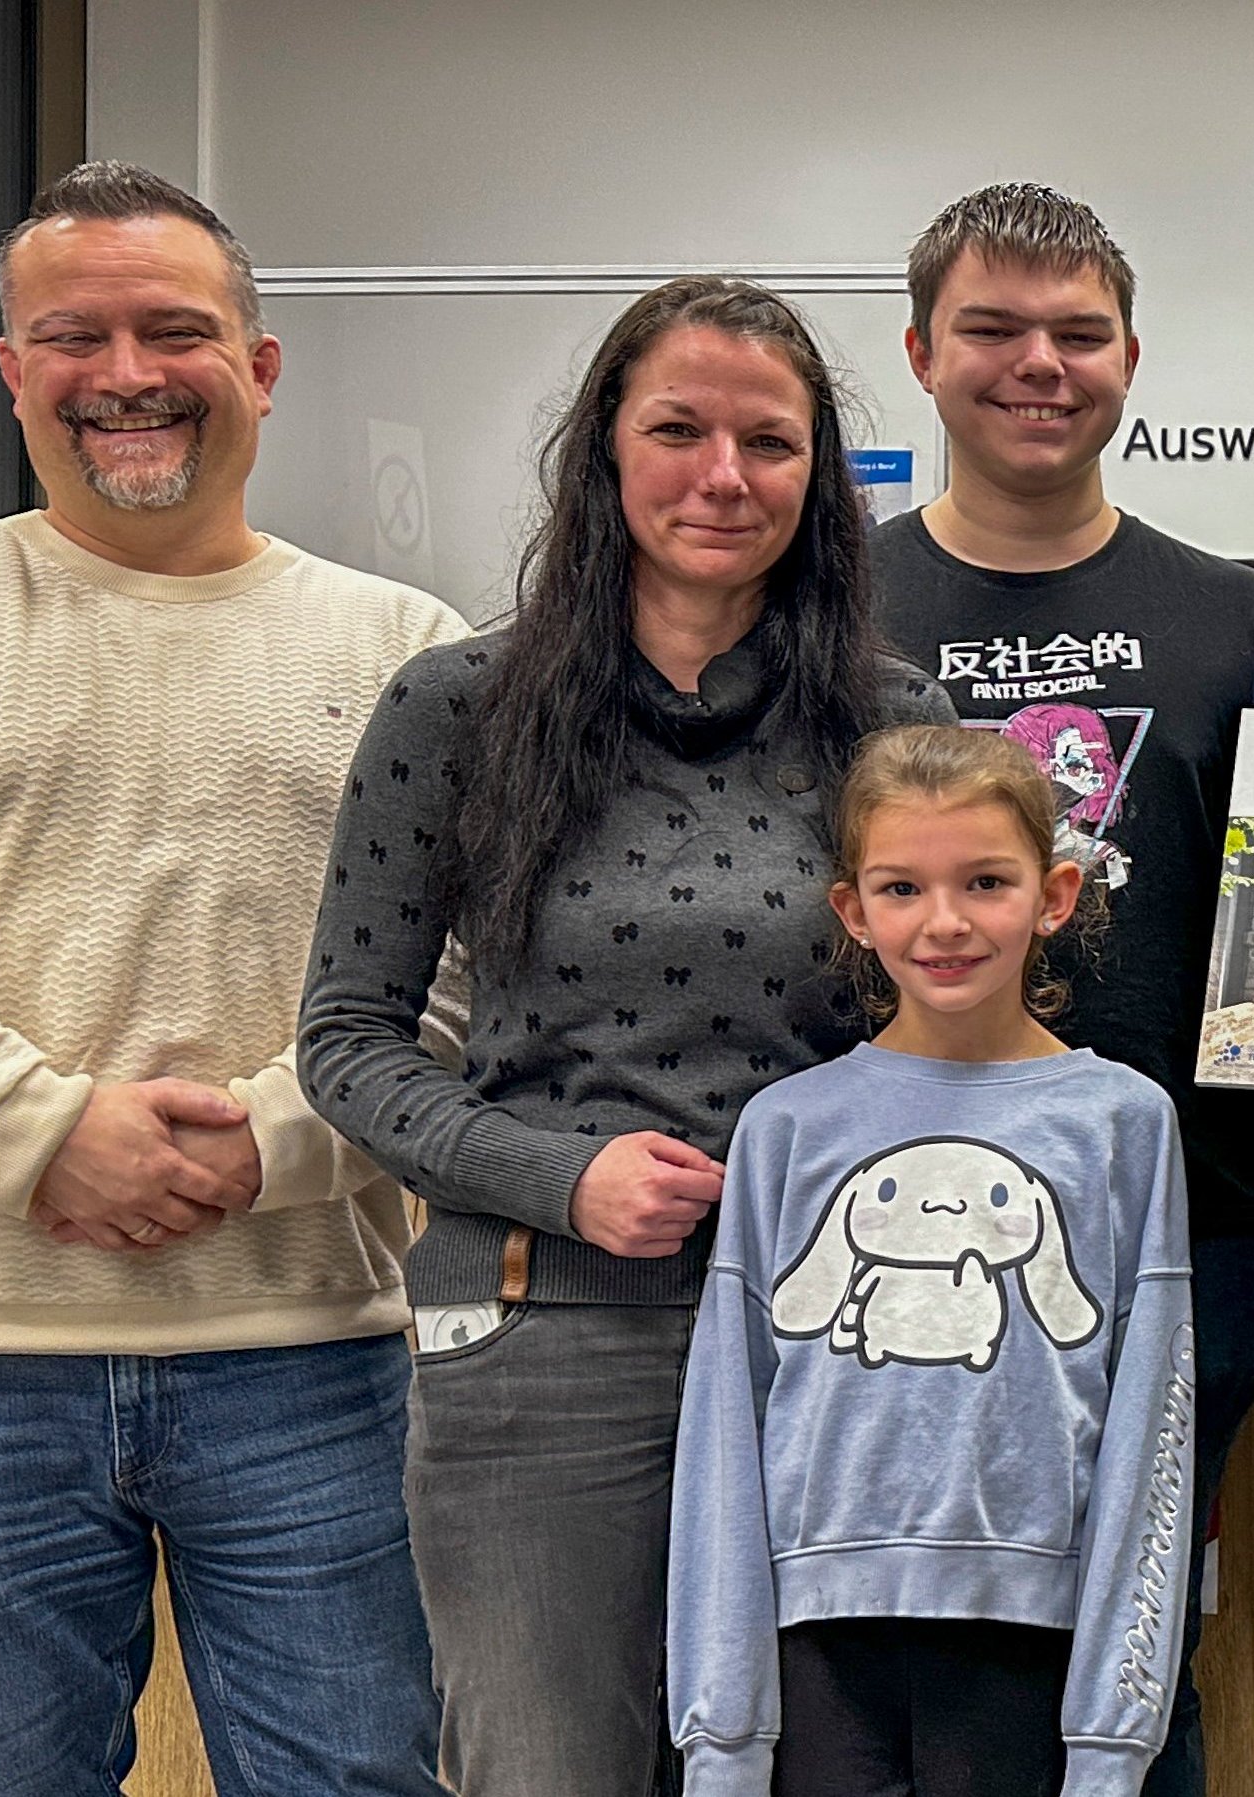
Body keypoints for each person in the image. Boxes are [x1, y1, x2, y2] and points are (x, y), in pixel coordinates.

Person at [0, 161, 455, 1794]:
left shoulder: (407, 643)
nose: (126, 374)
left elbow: (464, 965)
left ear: (258, 365)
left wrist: (277, 1142)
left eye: (174, 331)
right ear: (11, 369)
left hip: (317, 1363)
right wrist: (34, 1132)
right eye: (74, 336)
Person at [298, 274, 954, 1795]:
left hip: (830, 1341)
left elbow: (949, 1029)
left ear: (818, 475)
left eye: (769, 443)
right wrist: (560, 1179)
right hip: (542, 1334)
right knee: (550, 1768)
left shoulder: (891, 719)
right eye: (677, 431)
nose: (723, 476)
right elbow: (347, 1039)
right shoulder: (457, 705)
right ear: (603, 449)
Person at [866, 179, 1254, 1797]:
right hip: (881, 1229)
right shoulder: (825, 610)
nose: (1037, 364)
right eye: (992, 328)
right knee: (895, 1668)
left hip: (1175, 1237)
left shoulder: (1246, 621)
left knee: (1130, 1664)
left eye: (1077, 332)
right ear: (919, 353)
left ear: (1132, 355)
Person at [669, 724, 1194, 1797]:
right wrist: (722, 1737)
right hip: (816, 1647)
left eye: (985, 882)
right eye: (902, 888)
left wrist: (1110, 1739)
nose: (945, 921)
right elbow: (726, 1419)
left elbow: (1153, 1430)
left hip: (1032, 1647)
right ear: (853, 912)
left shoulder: (1123, 1123)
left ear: (1054, 896)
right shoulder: (787, 1129)